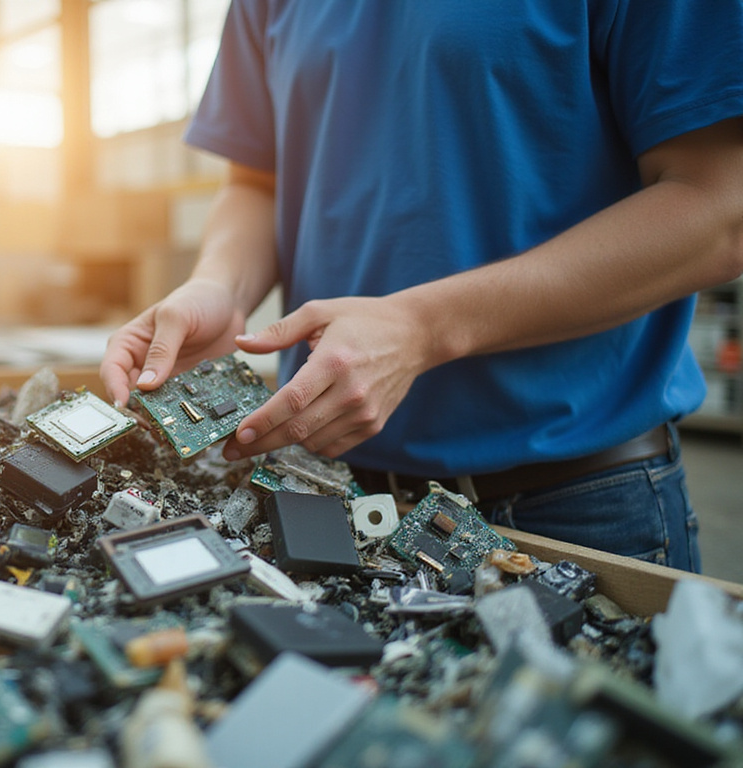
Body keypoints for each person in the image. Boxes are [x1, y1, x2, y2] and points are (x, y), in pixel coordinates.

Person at [101, 1, 743, 572]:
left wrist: (423, 327)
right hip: (322, 491)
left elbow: (718, 208)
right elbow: (258, 182)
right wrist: (221, 283)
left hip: (574, 506)